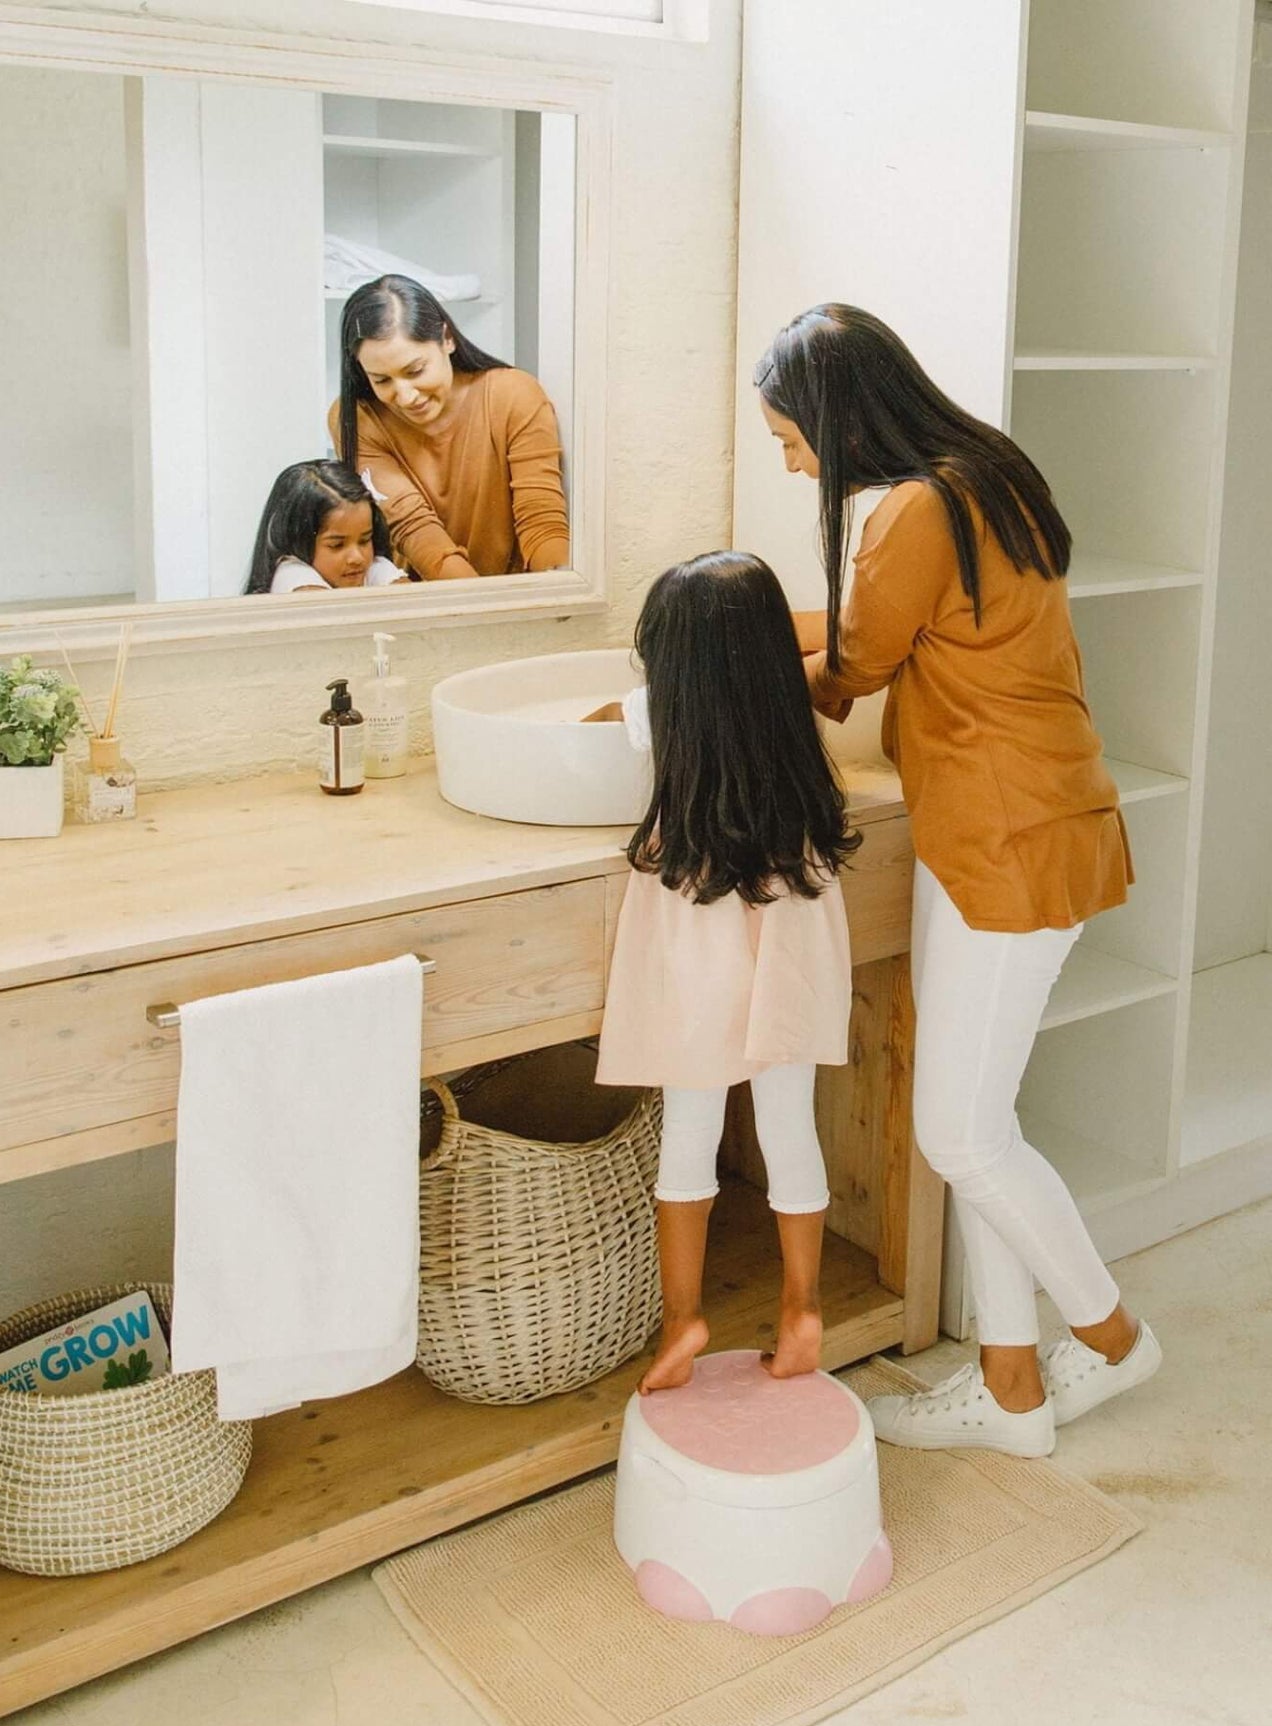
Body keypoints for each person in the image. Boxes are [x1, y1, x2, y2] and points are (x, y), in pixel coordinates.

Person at [754, 302, 1163, 1459]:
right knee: (975, 1122)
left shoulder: (914, 509)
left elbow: (848, 670)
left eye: (790, 440)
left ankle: (1116, 1336)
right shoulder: (981, 475)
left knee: (962, 1135)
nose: (790, 461)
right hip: (1021, 819)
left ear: (835, 424)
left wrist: (720, 645)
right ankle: (1010, 1386)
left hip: (1004, 835)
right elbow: (881, 631)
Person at [590, 552, 861, 1394]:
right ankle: (804, 1307)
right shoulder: (790, 719)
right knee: (791, 1130)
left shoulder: (655, 714)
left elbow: (589, 723)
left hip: (696, 947)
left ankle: (683, 1322)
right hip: (793, 944)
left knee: (689, 1134)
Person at [331, 274, 569, 580]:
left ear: (447, 338)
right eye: (381, 380)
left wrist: (560, 586)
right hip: (426, 601)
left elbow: (542, 519)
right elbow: (414, 528)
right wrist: (475, 611)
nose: (405, 396)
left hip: (514, 596)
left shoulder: (513, 394)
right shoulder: (355, 416)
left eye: (415, 370)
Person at [242, 460, 407, 595]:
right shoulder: (293, 575)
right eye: (337, 545)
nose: (357, 558)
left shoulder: (374, 566)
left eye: (364, 540)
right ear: (297, 540)